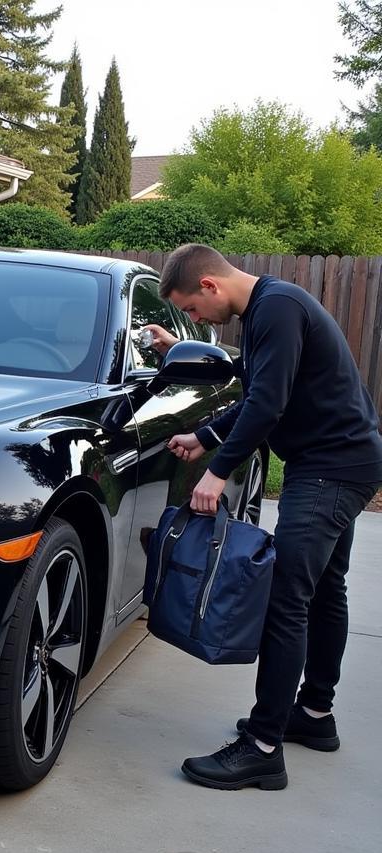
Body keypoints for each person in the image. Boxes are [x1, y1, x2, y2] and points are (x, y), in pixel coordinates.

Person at [143, 243, 382, 791]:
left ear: (209, 286)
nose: (198, 320)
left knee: (287, 599)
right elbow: (256, 391)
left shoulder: (276, 308)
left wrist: (217, 472)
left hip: (330, 469)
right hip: (340, 460)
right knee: (324, 591)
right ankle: (314, 716)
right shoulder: (267, 310)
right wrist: (203, 437)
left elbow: (267, 404)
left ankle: (263, 748)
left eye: (194, 310)